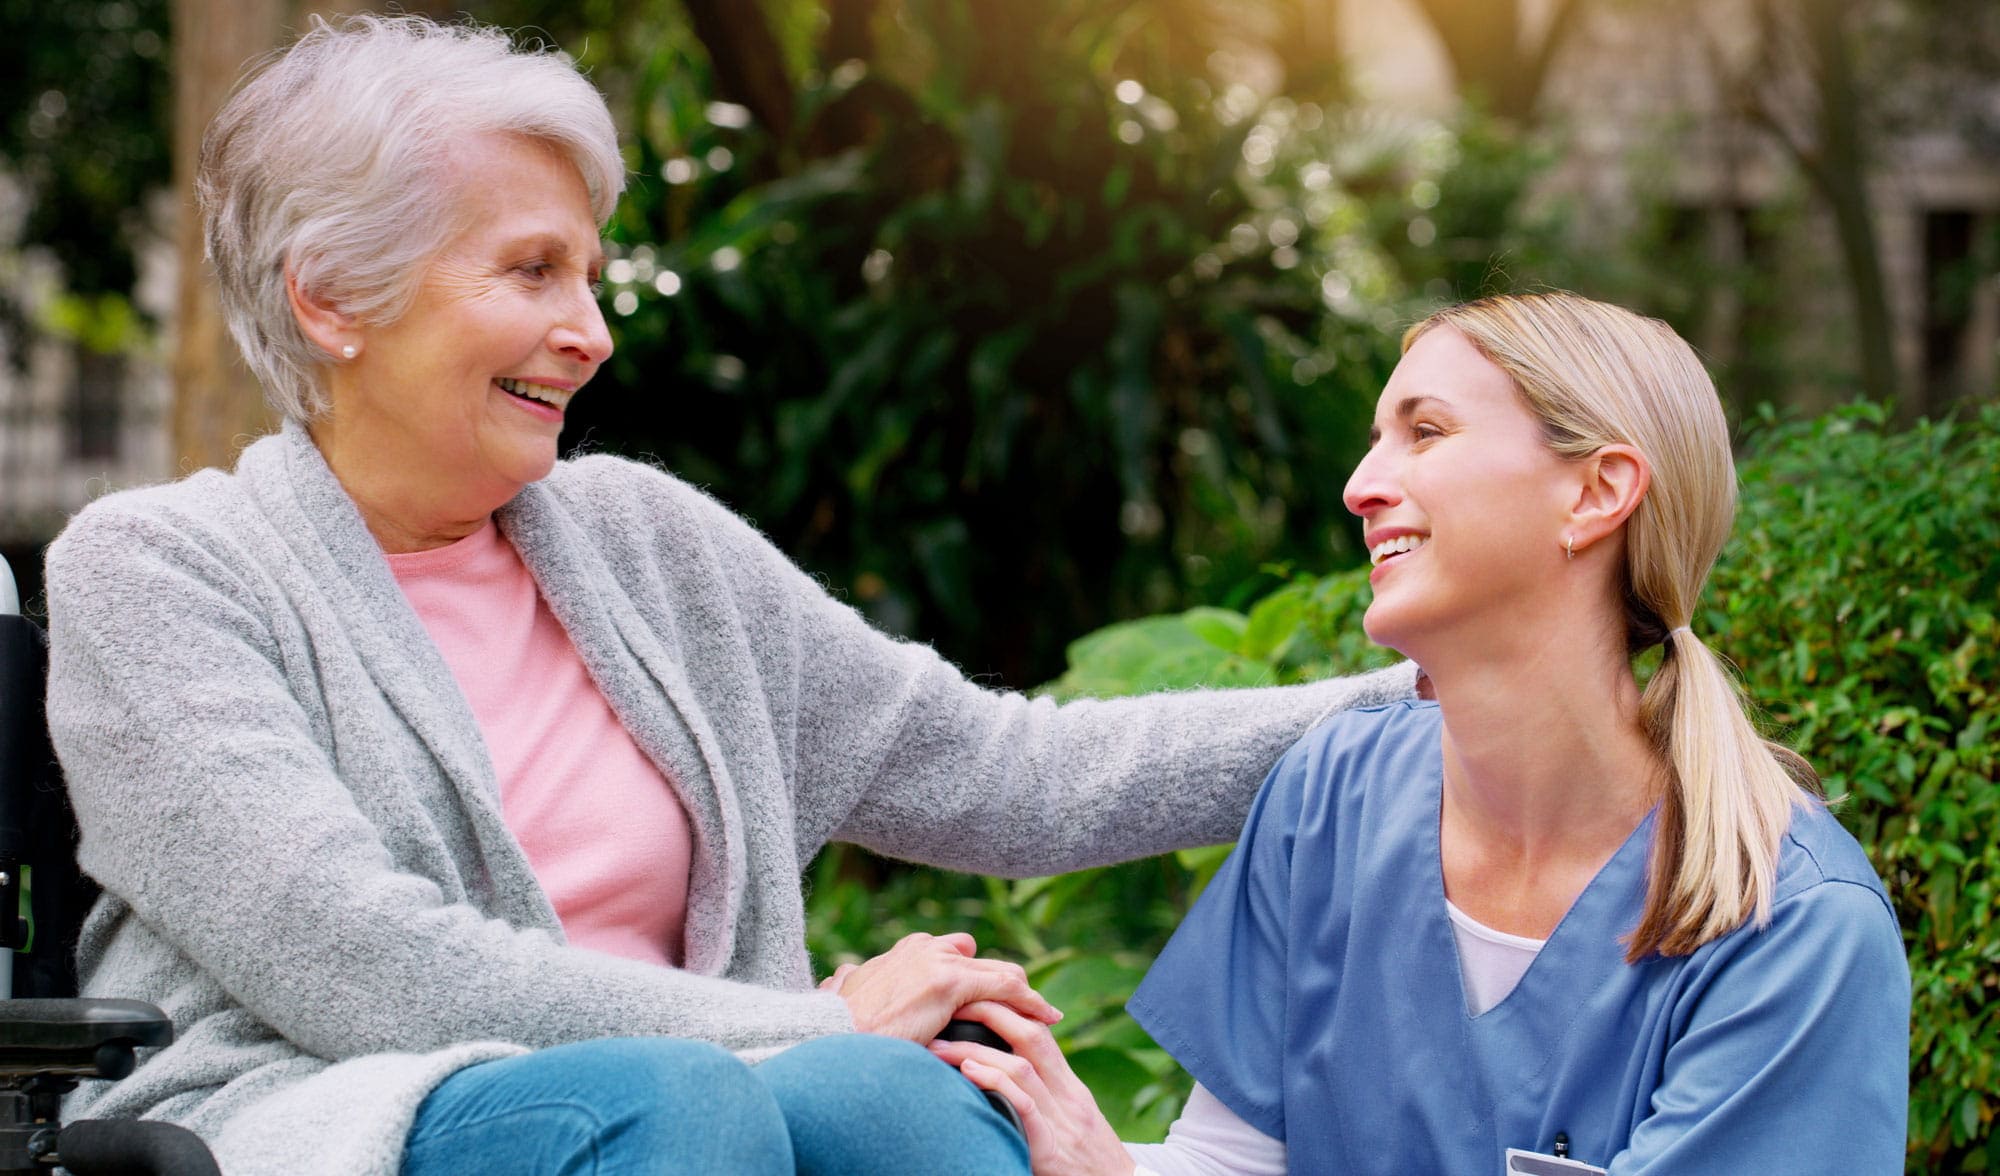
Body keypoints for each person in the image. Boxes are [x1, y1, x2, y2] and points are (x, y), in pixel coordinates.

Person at [39, 15, 1417, 1176]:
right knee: (699, 1098)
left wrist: (1429, 694)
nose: (593, 328)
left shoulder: (641, 542)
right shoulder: (161, 570)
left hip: (706, 1110)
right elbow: (361, 963)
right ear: (334, 294)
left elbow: (1006, 770)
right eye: (531, 271)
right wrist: (813, 1022)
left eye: (591, 270)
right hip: (321, 1118)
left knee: (894, 1102)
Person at [931, 292, 1911, 1175]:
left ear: (1594, 492)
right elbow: (1233, 1165)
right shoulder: (1326, 799)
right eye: (1373, 440)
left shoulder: (1794, 931)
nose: (1360, 487)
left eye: (1424, 432)